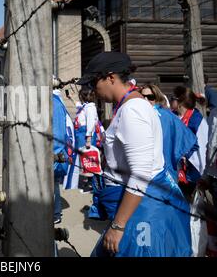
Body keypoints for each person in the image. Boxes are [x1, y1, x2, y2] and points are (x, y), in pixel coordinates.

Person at [77, 52, 191, 257]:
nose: (93, 90)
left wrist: (118, 226)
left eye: (94, 82)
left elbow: (140, 173)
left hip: (141, 212)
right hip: (140, 206)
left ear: (110, 77)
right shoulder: (135, 105)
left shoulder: (132, 111)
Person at [140, 84, 198, 182]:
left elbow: (190, 142)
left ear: (156, 98)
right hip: (143, 173)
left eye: (150, 97)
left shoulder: (167, 116)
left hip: (165, 173)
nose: (145, 100)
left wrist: (177, 155)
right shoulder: (136, 116)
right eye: (142, 97)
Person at [74, 86, 104, 219]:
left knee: (90, 160)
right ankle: (88, 182)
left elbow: (91, 122)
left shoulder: (90, 107)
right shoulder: (86, 106)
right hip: (82, 133)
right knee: (85, 160)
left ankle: (93, 185)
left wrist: (87, 137)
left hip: (86, 134)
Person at [173, 86, 209, 198]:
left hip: (194, 171)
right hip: (179, 169)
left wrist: (204, 176)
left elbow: (203, 147)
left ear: (180, 102)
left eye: (172, 98)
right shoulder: (174, 117)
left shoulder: (197, 120)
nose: (170, 101)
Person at [52, 81, 74, 225]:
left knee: (50, 185)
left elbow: (57, 133)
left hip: (52, 153)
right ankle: (55, 212)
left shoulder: (52, 103)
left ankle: (54, 212)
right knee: (53, 185)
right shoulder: (57, 102)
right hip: (56, 151)